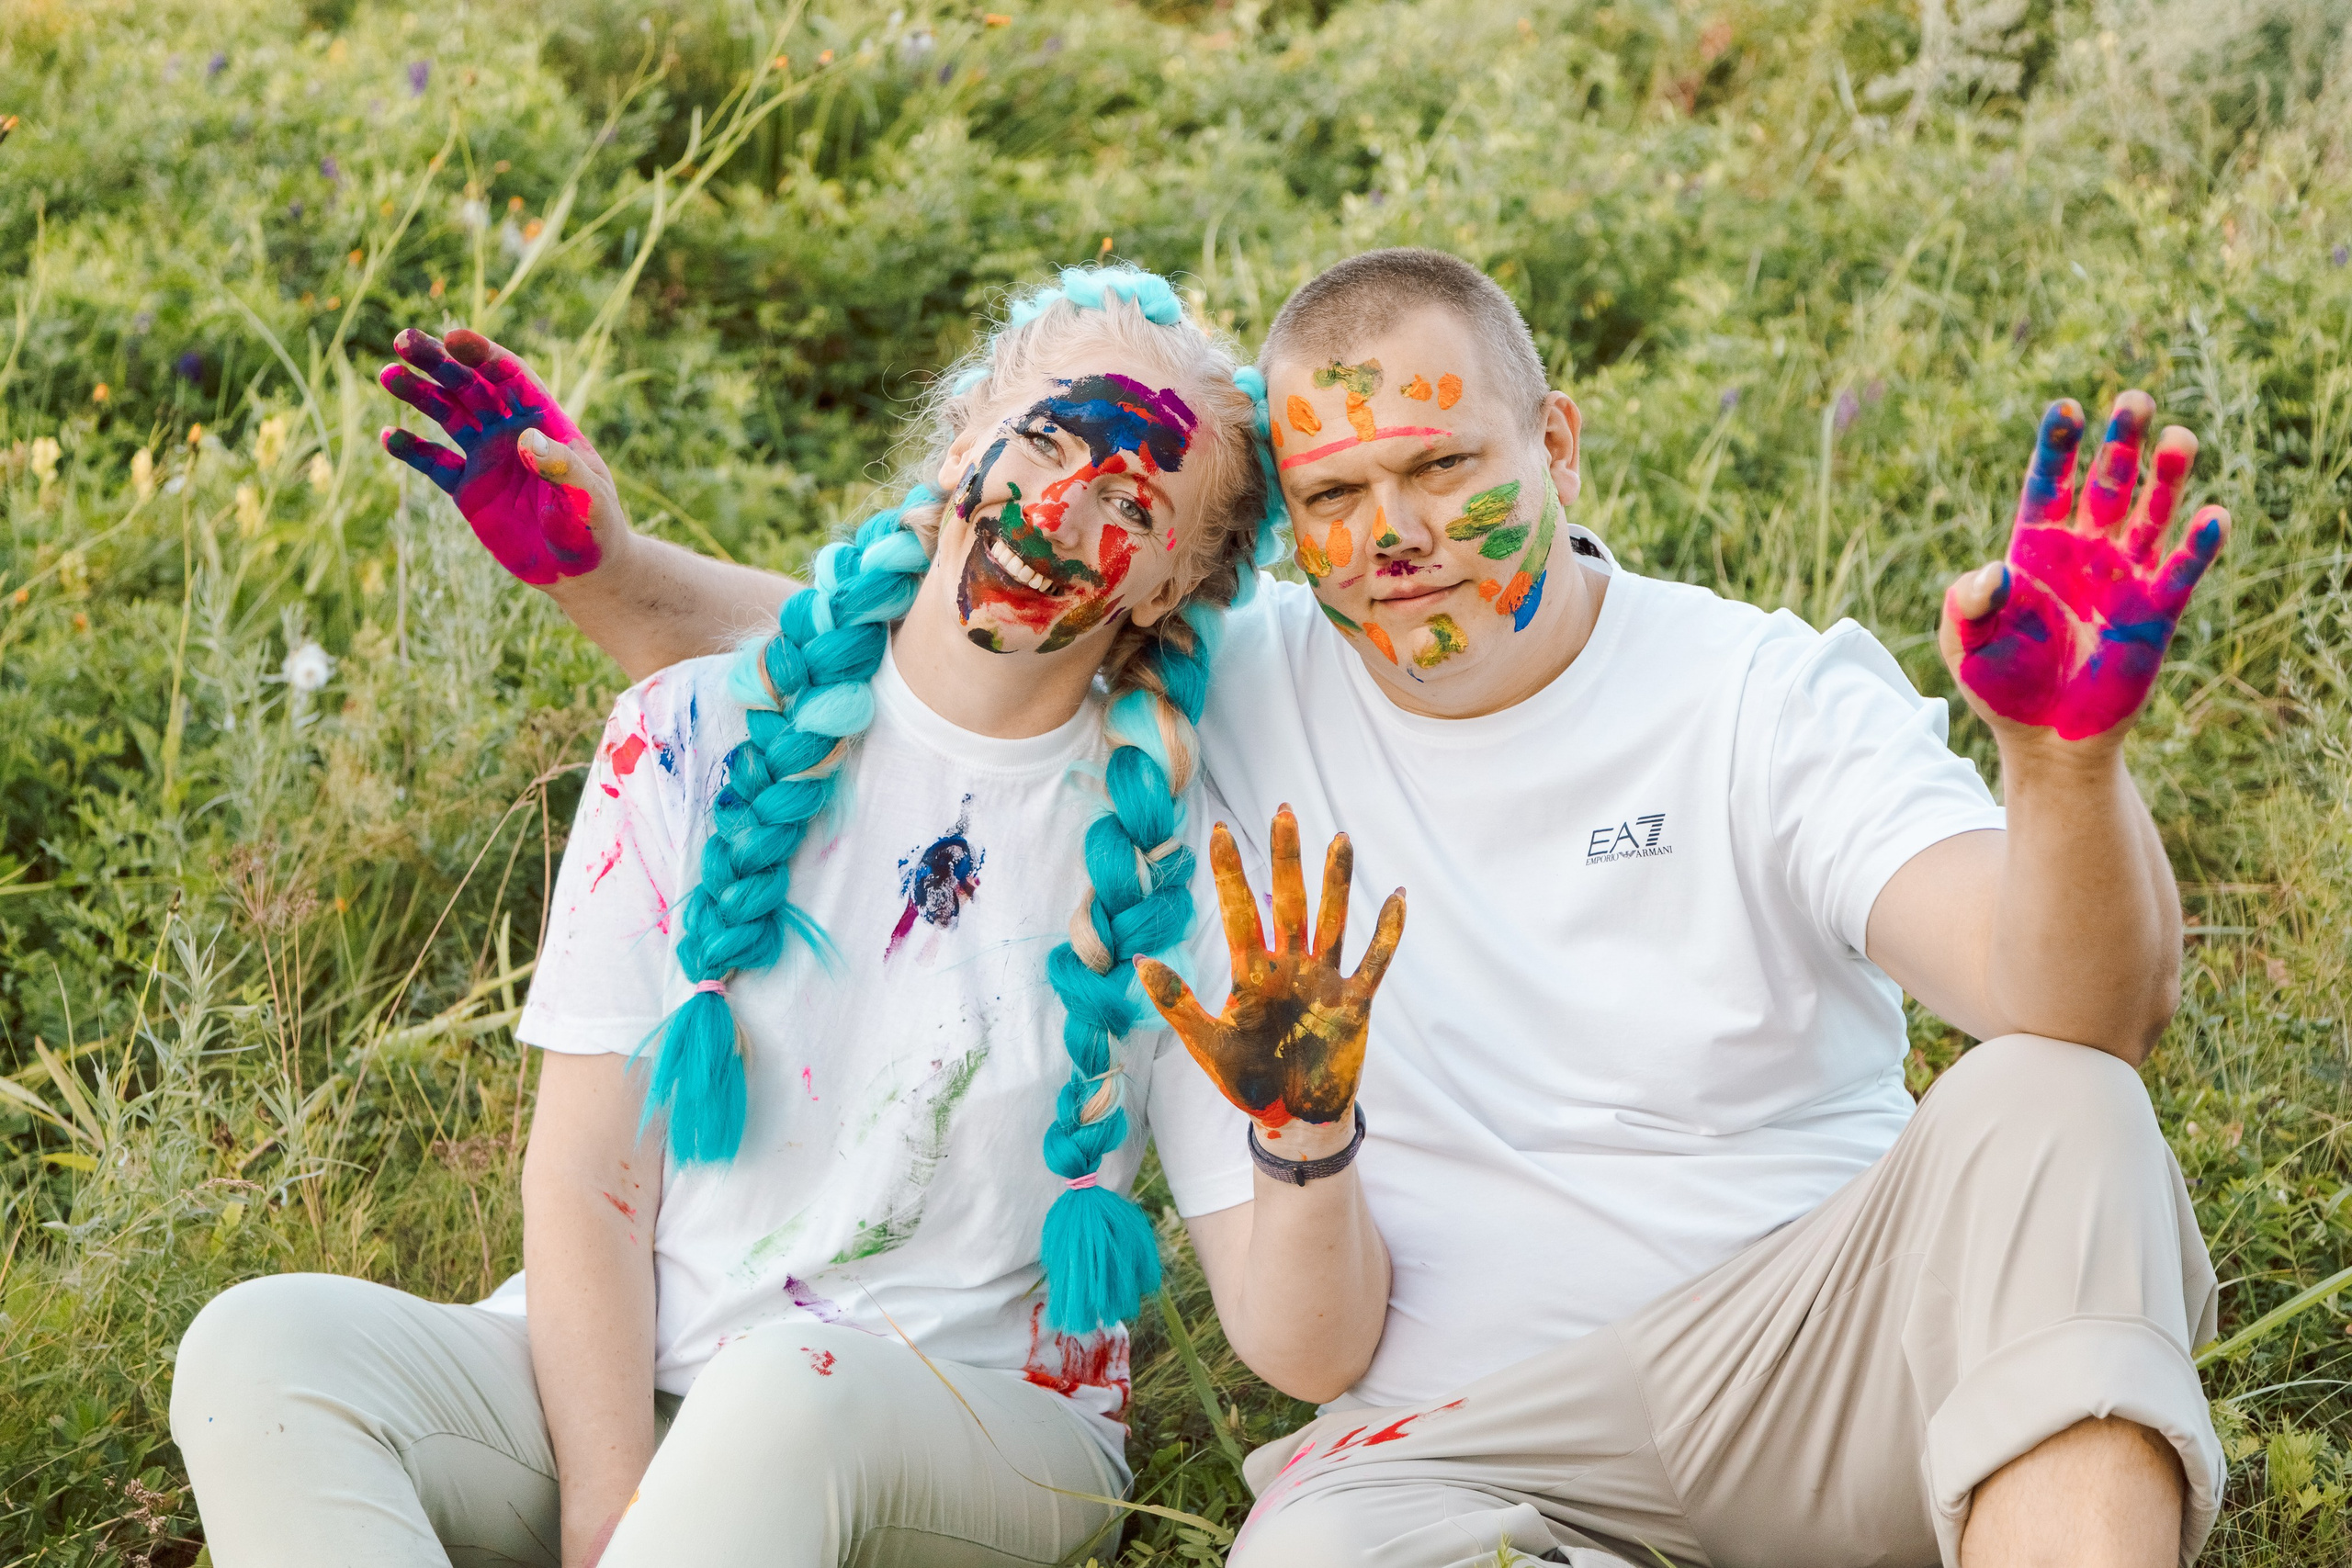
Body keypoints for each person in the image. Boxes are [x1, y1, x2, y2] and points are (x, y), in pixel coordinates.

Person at [388, 247, 2234, 1568]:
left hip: (1806, 1361)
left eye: (1442, 465)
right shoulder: (1232, 681)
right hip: (1444, 1440)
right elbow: (911, 636)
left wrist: (2060, 765)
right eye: (1339, 491)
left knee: (2056, 1094)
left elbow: (2060, 992)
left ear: (1557, 446)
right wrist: (610, 568)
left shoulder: (1754, 693)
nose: (1397, 532)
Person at [167, 265, 1404, 1568]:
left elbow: (1302, 1351)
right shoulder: (687, 735)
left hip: (968, 1433)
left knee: (787, 1384)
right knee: (263, 1346)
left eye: (1124, 503)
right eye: (1042, 439)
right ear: (961, 436)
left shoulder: (1172, 861)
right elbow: (591, 1178)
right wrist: (608, 1504)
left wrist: (1308, 1134)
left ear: (1168, 589)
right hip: (633, 1383)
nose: (1054, 509)